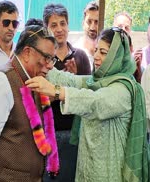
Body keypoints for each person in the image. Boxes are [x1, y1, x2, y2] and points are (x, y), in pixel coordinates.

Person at [26, 27, 149, 182]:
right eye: (96, 50)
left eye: (104, 53)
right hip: (87, 170)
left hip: (109, 174)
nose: (96, 56)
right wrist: (41, 60)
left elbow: (94, 102)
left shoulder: (123, 90)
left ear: (117, 57)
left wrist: (55, 91)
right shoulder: (97, 82)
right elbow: (70, 80)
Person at [0, 25, 59, 181]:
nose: (51, 65)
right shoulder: (1, 81)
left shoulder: (35, 80)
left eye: (53, 59)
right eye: (47, 57)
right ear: (27, 53)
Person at [42, 3, 91, 182]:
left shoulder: (81, 57)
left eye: (63, 23)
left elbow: (91, 96)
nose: (59, 29)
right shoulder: (43, 60)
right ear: (46, 28)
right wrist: (64, 85)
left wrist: (75, 80)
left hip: (75, 134)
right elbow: (38, 98)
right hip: (50, 134)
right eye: (54, 25)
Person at [113, 11, 143, 82]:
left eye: (126, 28)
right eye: (119, 27)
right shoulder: (104, 52)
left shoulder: (135, 58)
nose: (123, 30)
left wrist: (137, 68)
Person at [74, 0, 99, 69]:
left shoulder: (107, 53)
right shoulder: (75, 51)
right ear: (83, 23)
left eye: (96, 22)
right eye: (89, 21)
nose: (92, 27)